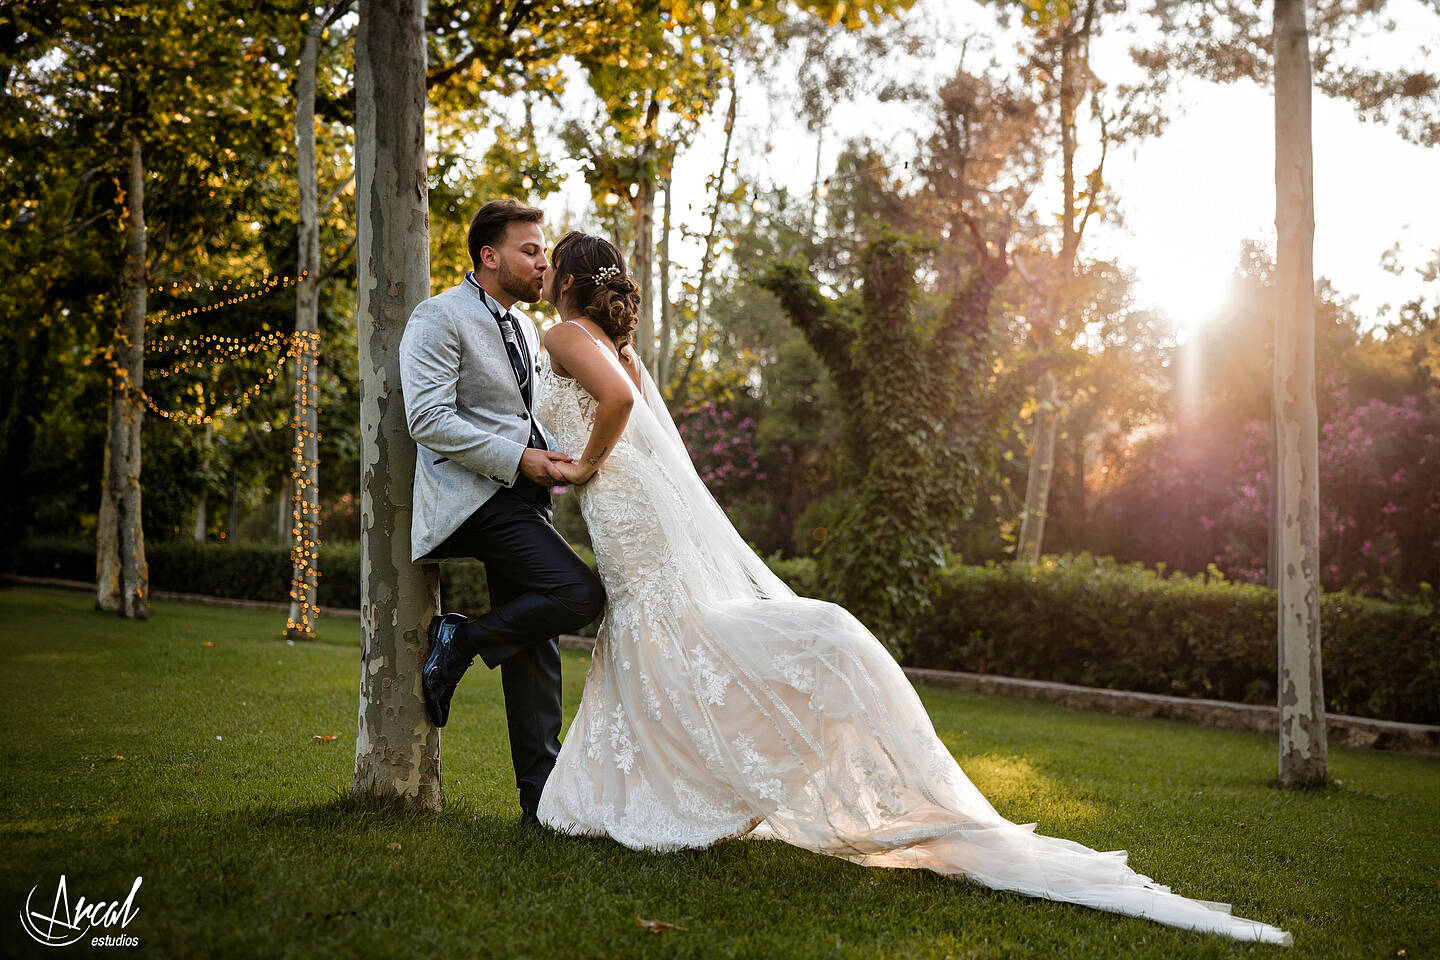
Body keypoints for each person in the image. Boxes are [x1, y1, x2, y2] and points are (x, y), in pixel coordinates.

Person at [526, 230, 1292, 945]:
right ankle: (689, 787)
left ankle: (678, 789)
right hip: (642, 506)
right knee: (667, 627)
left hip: (624, 501)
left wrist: (587, 465)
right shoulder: (617, 344)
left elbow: (620, 410)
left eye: (545, 263)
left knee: (663, 625)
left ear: (564, 281)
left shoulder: (564, 334)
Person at [398, 200, 605, 827]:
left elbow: (521, 411)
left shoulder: (520, 327)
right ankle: (461, 638)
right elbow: (427, 420)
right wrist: (521, 459)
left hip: (521, 495)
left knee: (536, 650)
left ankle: (539, 806)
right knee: (579, 594)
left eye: (543, 251)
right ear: (489, 257)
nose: (544, 262)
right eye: (531, 250)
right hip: (473, 498)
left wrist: (561, 457)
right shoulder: (439, 317)